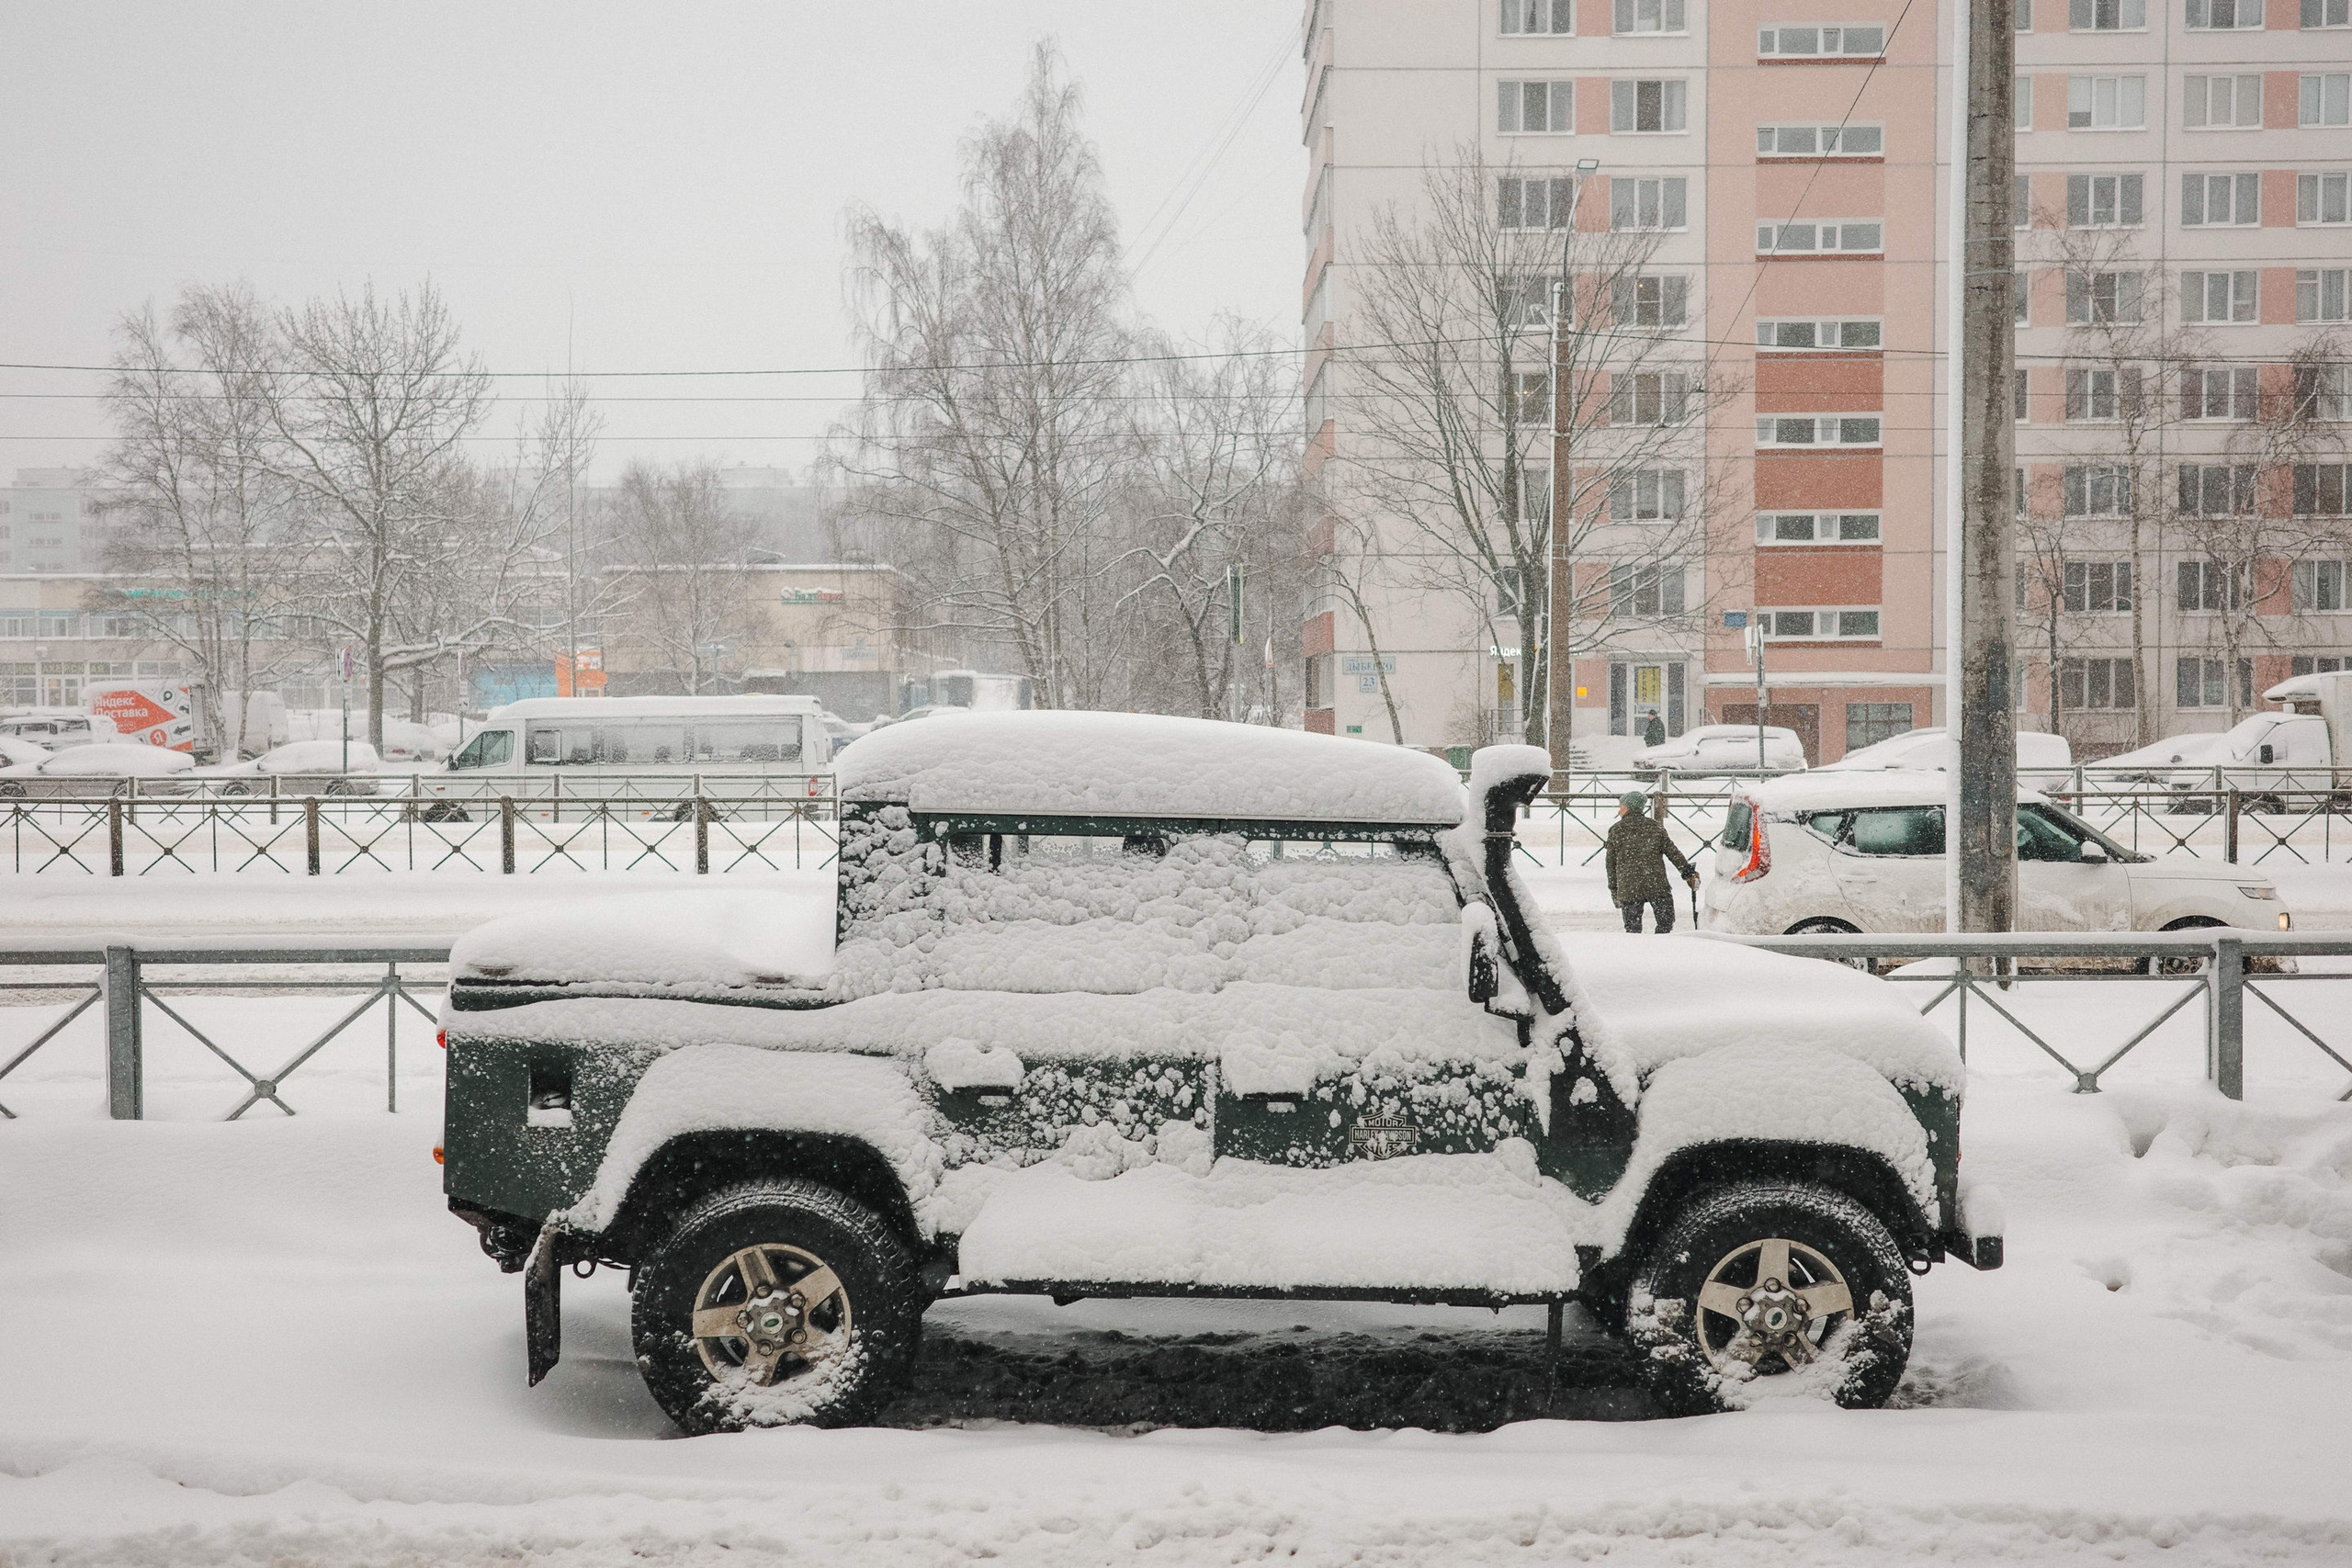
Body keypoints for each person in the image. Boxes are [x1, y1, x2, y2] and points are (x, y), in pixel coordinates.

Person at [1606, 791, 1698, 934]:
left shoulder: (1616, 830)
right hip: (1656, 884)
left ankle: (1636, 954)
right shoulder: (1654, 827)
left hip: (1629, 887)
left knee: (1632, 930)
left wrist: (1614, 889)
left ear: (1630, 807)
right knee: (1665, 925)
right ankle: (1661, 950)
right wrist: (1687, 872)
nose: (1619, 811)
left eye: (1621, 806)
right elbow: (1672, 852)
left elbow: (1610, 864)